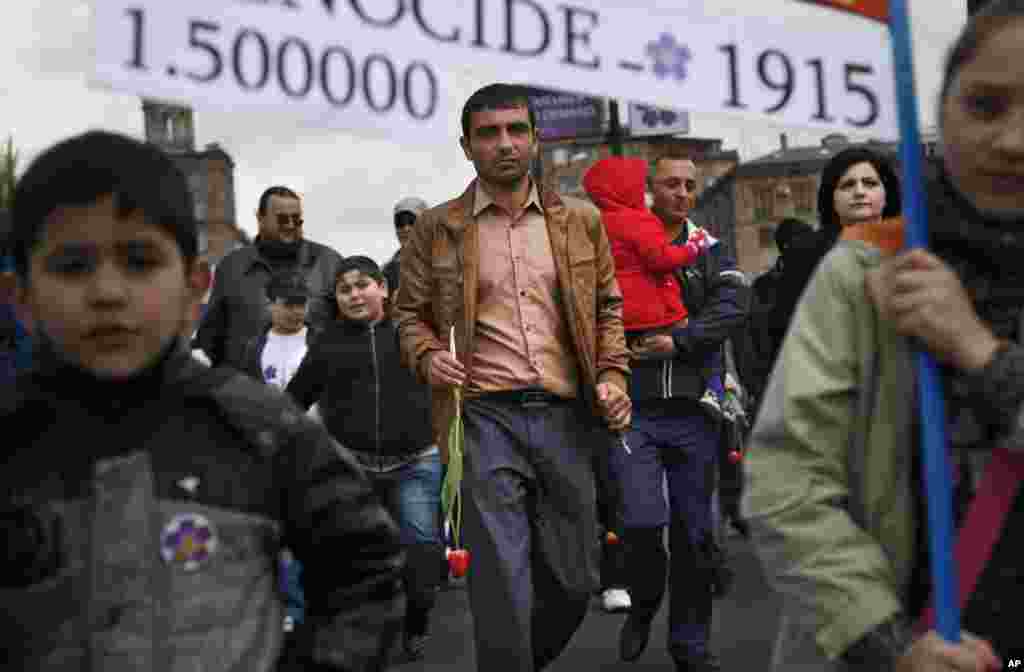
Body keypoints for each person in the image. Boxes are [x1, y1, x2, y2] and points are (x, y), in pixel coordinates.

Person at [0, 130, 404, 672]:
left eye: (140, 261)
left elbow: (364, 569)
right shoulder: (14, 442)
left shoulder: (262, 430)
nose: (108, 292)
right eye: (72, 266)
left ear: (194, 287)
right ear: (20, 297)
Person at [743, 2, 1024, 669]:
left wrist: (980, 353)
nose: (1013, 139)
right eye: (985, 105)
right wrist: (890, 644)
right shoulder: (871, 263)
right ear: (944, 109)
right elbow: (788, 479)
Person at [392, 82, 632, 672]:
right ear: (467, 146)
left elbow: (606, 308)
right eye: (488, 133)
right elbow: (408, 314)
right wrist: (426, 356)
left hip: (565, 414)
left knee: (576, 579)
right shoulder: (437, 228)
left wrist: (613, 376)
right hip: (482, 417)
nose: (505, 144)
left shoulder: (580, 221)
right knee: (501, 581)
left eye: (516, 130)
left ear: (536, 138)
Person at [611, 156, 747, 672]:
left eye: (691, 185)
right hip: (634, 412)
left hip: (696, 411)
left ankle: (690, 647)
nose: (683, 193)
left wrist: (680, 340)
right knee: (642, 524)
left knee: (696, 536)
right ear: (648, 190)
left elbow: (735, 304)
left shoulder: (708, 247)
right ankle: (643, 606)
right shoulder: (620, 244)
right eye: (671, 184)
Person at [286, 255, 443, 662]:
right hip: (351, 465)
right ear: (336, 299)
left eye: (362, 285)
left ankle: (415, 622)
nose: (354, 295)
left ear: (383, 289)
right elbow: (293, 401)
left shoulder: (414, 334)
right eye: (344, 289)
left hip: (417, 460)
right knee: (352, 555)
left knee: (422, 548)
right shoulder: (326, 344)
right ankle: (359, 631)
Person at [194, 185, 343, 371]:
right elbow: (210, 339)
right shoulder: (231, 267)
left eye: (296, 220)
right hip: (248, 394)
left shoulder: (329, 263)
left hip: (313, 395)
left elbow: (351, 333)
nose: (290, 225)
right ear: (260, 218)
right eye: (282, 219)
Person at [582, 156, 711, 344]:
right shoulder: (640, 222)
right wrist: (691, 249)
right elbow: (662, 259)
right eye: (640, 187)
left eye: (689, 186)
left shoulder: (597, 223)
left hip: (615, 316)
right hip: (653, 315)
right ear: (627, 189)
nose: (682, 194)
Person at [240, 270, 315, 388]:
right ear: (270, 304)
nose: (297, 311)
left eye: (301, 303)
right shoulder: (254, 348)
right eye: (289, 304)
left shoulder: (320, 343)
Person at [382, 197, 429, 304]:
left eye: (412, 221)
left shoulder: (445, 262)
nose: (406, 228)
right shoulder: (387, 271)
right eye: (400, 222)